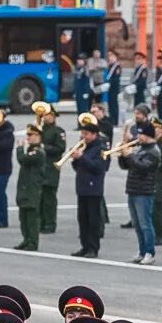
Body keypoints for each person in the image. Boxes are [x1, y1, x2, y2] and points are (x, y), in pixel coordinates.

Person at [119, 120, 162, 264]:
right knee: (137, 225)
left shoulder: (153, 151)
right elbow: (127, 166)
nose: (138, 136)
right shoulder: (139, 148)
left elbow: (143, 167)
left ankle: (150, 252)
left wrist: (129, 156)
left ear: (148, 135)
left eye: (141, 134)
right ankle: (142, 250)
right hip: (133, 189)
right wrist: (122, 155)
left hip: (144, 191)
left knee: (145, 224)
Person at [71, 113, 107, 259]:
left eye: (86, 134)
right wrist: (74, 159)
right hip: (82, 187)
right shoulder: (85, 147)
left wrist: (82, 157)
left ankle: (93, 247)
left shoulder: (101, 148)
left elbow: (98, 168)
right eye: (82, 133)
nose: (83, 136)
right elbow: (78, 167)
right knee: (83, 219)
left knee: (93, 220)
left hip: (94, 188)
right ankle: (84, 246)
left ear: (94, 134)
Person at [14, 123, 45, 252]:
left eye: (31, 135)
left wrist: (19, 148)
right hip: (25, 186)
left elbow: (23, 160)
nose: (28, 137)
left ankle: (32, 241)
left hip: (32, 188)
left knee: (31, 217)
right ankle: (26, 239)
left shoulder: (38, 152)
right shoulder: (31, 150)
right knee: (23, 216)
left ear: (38, 136)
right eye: (28, 135)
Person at [37, 103, 66, 235]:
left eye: (47, 115)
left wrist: (44, 147)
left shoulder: (58, 131)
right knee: (40, 197)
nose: (44, 117)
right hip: (40, 167)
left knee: (49, 198)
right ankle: (41, 222)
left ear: (53, 116)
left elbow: (60, 148)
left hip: (51, 167)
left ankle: (50, 223)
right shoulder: (40, 129)